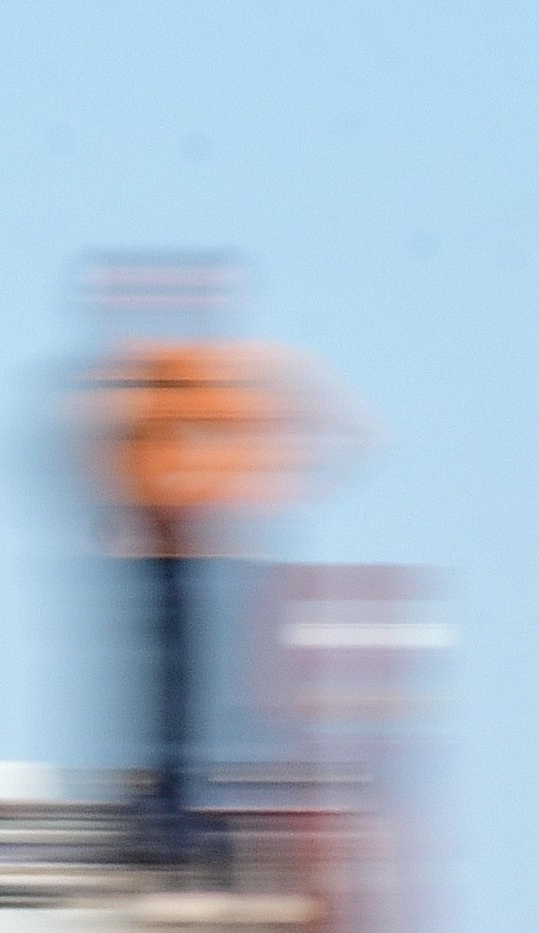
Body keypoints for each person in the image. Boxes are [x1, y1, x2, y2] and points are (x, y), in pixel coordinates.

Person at [83, 257, 357, 866]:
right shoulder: (179, 376)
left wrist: (281, 483)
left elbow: (342, 426)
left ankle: (173, 808)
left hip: (193, 556)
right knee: (179, 688)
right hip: (176, 555)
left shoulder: (202, 376)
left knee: (186, 689)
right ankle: (170, 806)